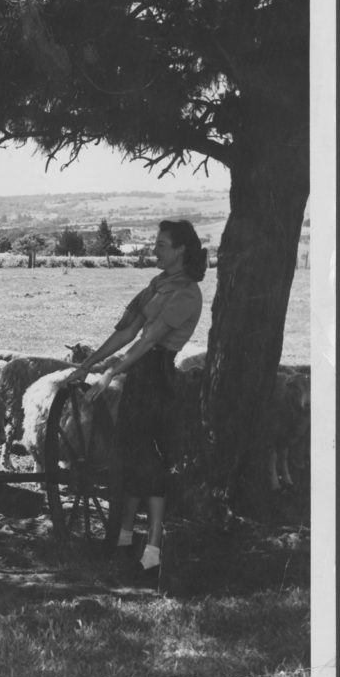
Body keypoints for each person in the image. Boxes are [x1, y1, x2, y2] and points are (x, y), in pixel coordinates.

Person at [66, 219, 207, 582]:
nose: (154, 249)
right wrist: (87, 365)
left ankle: (153, 551)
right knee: (128, 459)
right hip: (139, 378)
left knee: (149, 465)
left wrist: (112, 373)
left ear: (180, 251)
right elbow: (126, 331)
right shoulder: (157, 285)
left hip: (157, 379)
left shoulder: (188, 292)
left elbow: (149, 342)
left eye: (161, 245)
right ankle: (125, 544)